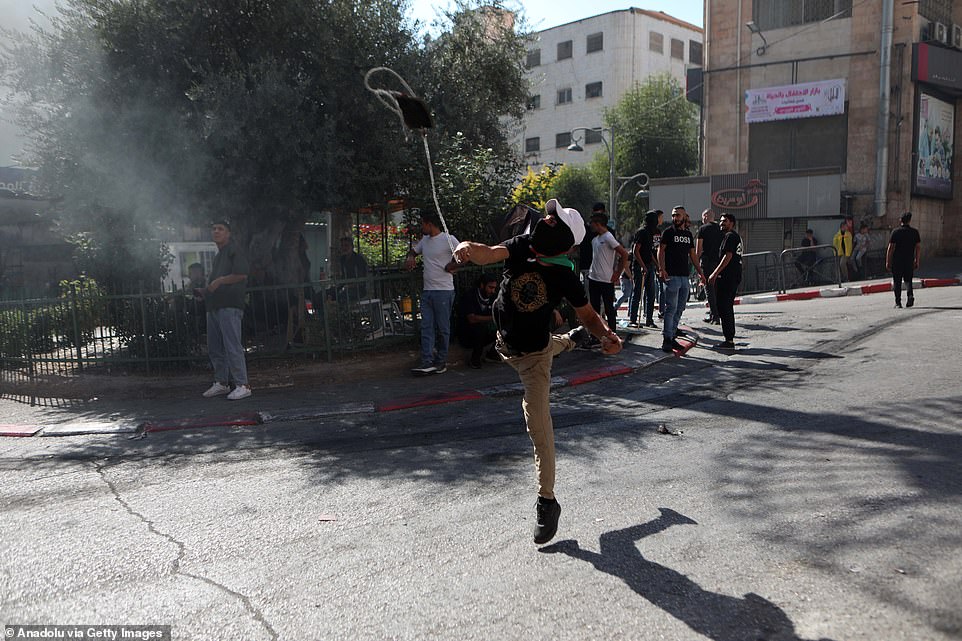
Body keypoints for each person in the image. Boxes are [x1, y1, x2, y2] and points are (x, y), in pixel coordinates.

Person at [449, 197, 623, 545]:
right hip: (505, 347)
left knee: (538, 428)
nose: (547, 219)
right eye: (549, 215)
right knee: (550, 345)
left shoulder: (564, 274)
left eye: (556, 220)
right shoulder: (523, 245)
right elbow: (489, 252)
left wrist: (606, 335)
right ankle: (570, 341)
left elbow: (588, 314)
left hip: (532, 359)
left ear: (568, 243)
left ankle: (547, 502)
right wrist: (467, 248)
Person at [199, 220, 251, 400]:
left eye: (220, 229)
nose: (216, 232)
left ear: (228, 233)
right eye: (213, 229)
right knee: (215, 346)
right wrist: (206, 291)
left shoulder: (234, 250)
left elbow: (242, 274)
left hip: (230, 305)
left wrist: (219, 281)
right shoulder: (218, 256)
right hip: (215, 305)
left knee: (231, 345)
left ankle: (242, 384)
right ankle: (221, 382)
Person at [405, 211, 459, 375]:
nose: (422, 227)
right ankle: (427, 361)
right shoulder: (425, 241)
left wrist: (453, 265)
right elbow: (414, 251)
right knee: (426, 326)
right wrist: (410, 257)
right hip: (428, 290)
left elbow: (464, 254)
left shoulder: (448, 239)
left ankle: (441, 361)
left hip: (443, 290)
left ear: (430, 224)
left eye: (423, 224)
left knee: (442, 328)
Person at [657, 206, 705, 353]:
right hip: (672, 276)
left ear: (684, 216)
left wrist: (700, 273)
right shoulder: (668, 232)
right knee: (671, 308)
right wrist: (662, 269)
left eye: (678, 215)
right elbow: (660, 250)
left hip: (685, 277)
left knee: (680, 307)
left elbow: (693, 255)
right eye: (673, 215)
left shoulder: (688, 235)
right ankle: (667, 339)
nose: (675, 218)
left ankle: (672, 336)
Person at [587, 211, 630, 334]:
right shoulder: (595, 239)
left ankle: (612, 334)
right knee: (594, 309)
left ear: (599, 224)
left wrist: (617, 272)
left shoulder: (608, 237)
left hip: (606, 279)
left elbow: (624, 254)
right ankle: (596, 335)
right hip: (593, 278)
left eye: (593, 223)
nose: (591, 226)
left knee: (608, 308)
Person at [707, 213, 743, 350]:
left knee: (724, 306)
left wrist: (715, 273)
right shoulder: (732, 237)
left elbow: (728, 256)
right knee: (725, 306)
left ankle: (729, 340)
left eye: (725, 221)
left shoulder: (730, 236)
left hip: (729, 277)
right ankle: (729, 338)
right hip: (732, 276)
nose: (722, 223)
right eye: (721, 221)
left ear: (732, 223)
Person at [458, 273, 498, 368]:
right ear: (482, 285)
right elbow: (472, 319)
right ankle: (475, 359)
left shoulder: (493, 297)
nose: (492, 291)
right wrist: (493, 318)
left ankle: (492, 354)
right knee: (480, 329)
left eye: (494, 288)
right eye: (490, 287)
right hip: (468, 333)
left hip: (486, 331)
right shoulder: (470, 296)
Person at [886, 211, 921, 308]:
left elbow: (891, 248)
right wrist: (917, 260)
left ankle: (898, 302)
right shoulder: (915, 232)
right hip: (909, 260)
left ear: (900, 220)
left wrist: (888, 261)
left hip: (897, 261)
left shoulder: (896, 232)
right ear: (910, 220)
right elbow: (918, 247)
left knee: (897, 281)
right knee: (908, 280)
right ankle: (910, 295)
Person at [695, 209, 723, 324]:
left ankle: (715, 316)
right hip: (719, 263)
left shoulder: (703, 229)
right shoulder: (721, 229)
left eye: (702, 217)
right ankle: (714, 315)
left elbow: (698, 249)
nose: (702, 220)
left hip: (707, 263)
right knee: (717, 289)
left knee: (709, 289)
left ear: (706, 216)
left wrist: (697, 266)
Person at [337, 236, 368, 302]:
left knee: (343, 295)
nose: (344, 248)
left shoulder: (358, 259)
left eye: (346, 245)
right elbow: (342, 276)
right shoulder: (342, 259)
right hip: (344, 287)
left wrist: (348, 286)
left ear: (352, 247)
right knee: (327, 293)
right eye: (342, 246)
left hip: (358, 289)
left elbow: (361, 280)